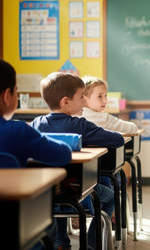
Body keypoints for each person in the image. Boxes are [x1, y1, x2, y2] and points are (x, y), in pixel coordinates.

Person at [31, 72, 124, 250]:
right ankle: (92, 242)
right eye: (81, 97)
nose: (84, 101)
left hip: (45, 192)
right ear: (66, 101)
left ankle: (61, 240)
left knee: (57, 194)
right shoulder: (81, 125)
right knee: (111, 197)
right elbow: (117, 140)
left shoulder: (37, 123)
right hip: (80, 191)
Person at [0, 59, 72, 168]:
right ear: (6, 96)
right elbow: (64, 154)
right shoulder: (19, 131)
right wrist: (36, 135)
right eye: (16, 91)